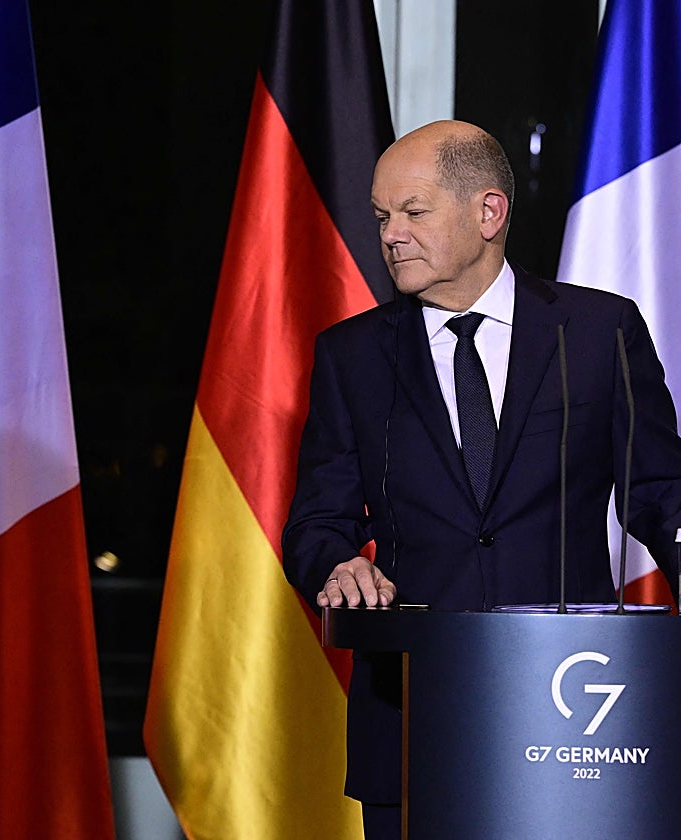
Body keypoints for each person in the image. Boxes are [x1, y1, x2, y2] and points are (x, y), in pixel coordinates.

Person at [281, 120, 681, 839]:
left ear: (488, 212)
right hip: (412, 715)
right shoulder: (353, 357)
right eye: (381, 217)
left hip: (575, 714)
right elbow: (318, 520)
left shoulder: (597, 332)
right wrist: (336, 562)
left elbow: (659, 493)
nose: (391, 235)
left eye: (413, 212)